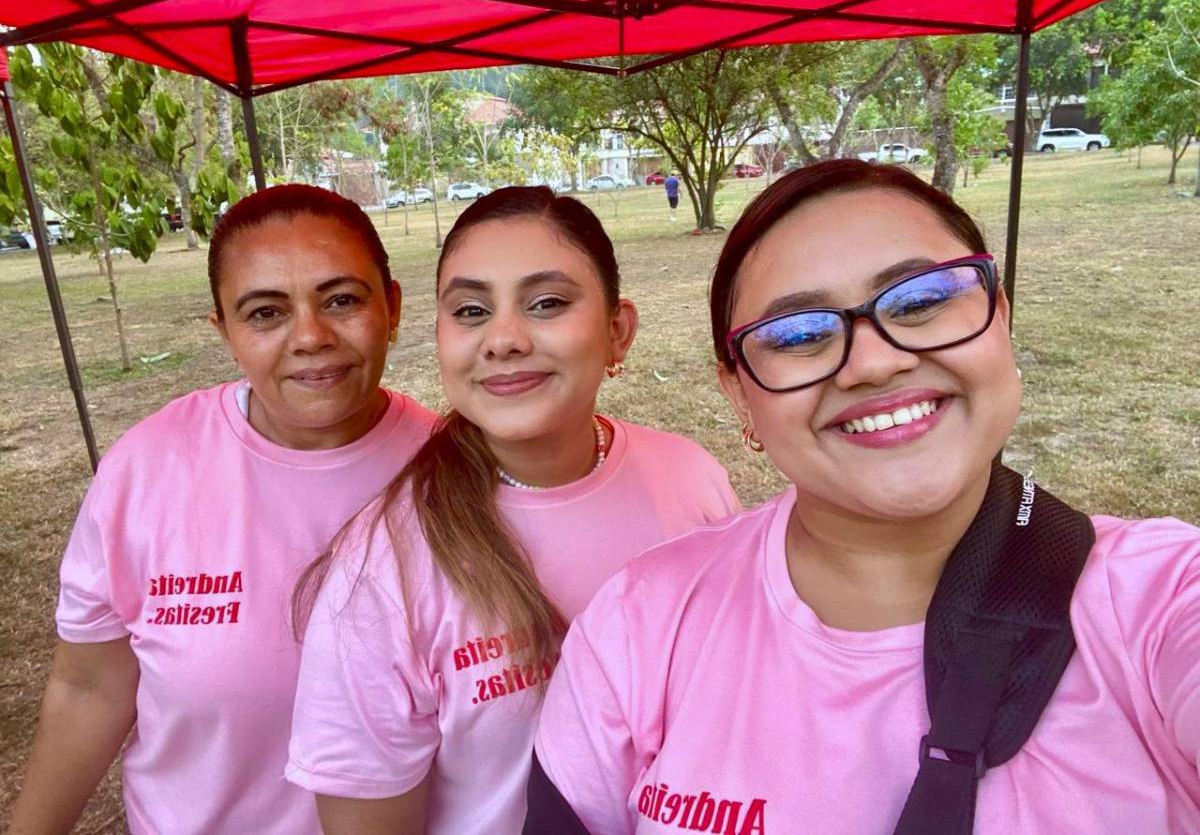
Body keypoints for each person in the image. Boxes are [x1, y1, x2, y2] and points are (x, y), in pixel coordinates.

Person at [530, 160, 1200, 834]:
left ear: (999, 315)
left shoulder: (1157, 604)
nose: (876, 363)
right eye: (797, 335)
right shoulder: (640, 625)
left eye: (921, 299)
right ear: (739, 393)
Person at [285, 186, 739, 834]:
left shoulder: (693, 479)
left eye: (547, 303)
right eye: (470, 310)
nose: (502, 339)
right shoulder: (383, 571)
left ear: (618, 331)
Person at [9, 185, 437, 835]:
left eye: (342, 300)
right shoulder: (148, 470)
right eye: (266, 313)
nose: (311, 337)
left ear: (393, 306)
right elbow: (90, 687)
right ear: (225, 331)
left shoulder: (456, 474)